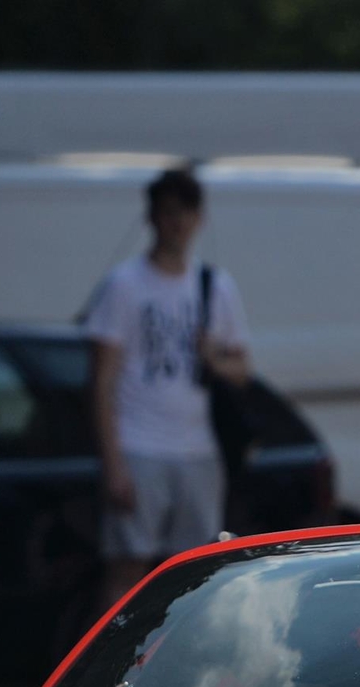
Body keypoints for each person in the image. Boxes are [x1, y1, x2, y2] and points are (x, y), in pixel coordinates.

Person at [82, 167, 252, 610]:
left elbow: (242, 369)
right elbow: (102, 379)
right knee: (128, 567)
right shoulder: (125, 285)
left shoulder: (215, 286)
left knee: (195, 572)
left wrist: (213, 358)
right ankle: (113, 671)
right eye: (169, 212)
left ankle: (181, 669)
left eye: (187, 212)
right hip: (140, 445)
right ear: (152, 218)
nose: (178, 223)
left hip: (197, 448)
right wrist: (113, 463)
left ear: (199, 219)